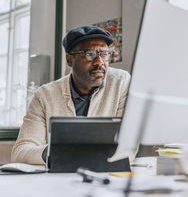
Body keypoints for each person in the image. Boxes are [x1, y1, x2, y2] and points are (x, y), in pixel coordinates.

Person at [11, 25, 131, 165]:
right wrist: (57, 152)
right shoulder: (45, 95)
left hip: (106, 180)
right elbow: (20, 152)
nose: (99, 62)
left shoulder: (121, 82)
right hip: (60, 182)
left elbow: (127, 148)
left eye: (104, 54)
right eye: (89, 54)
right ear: (69, 60)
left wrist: (75, 154)